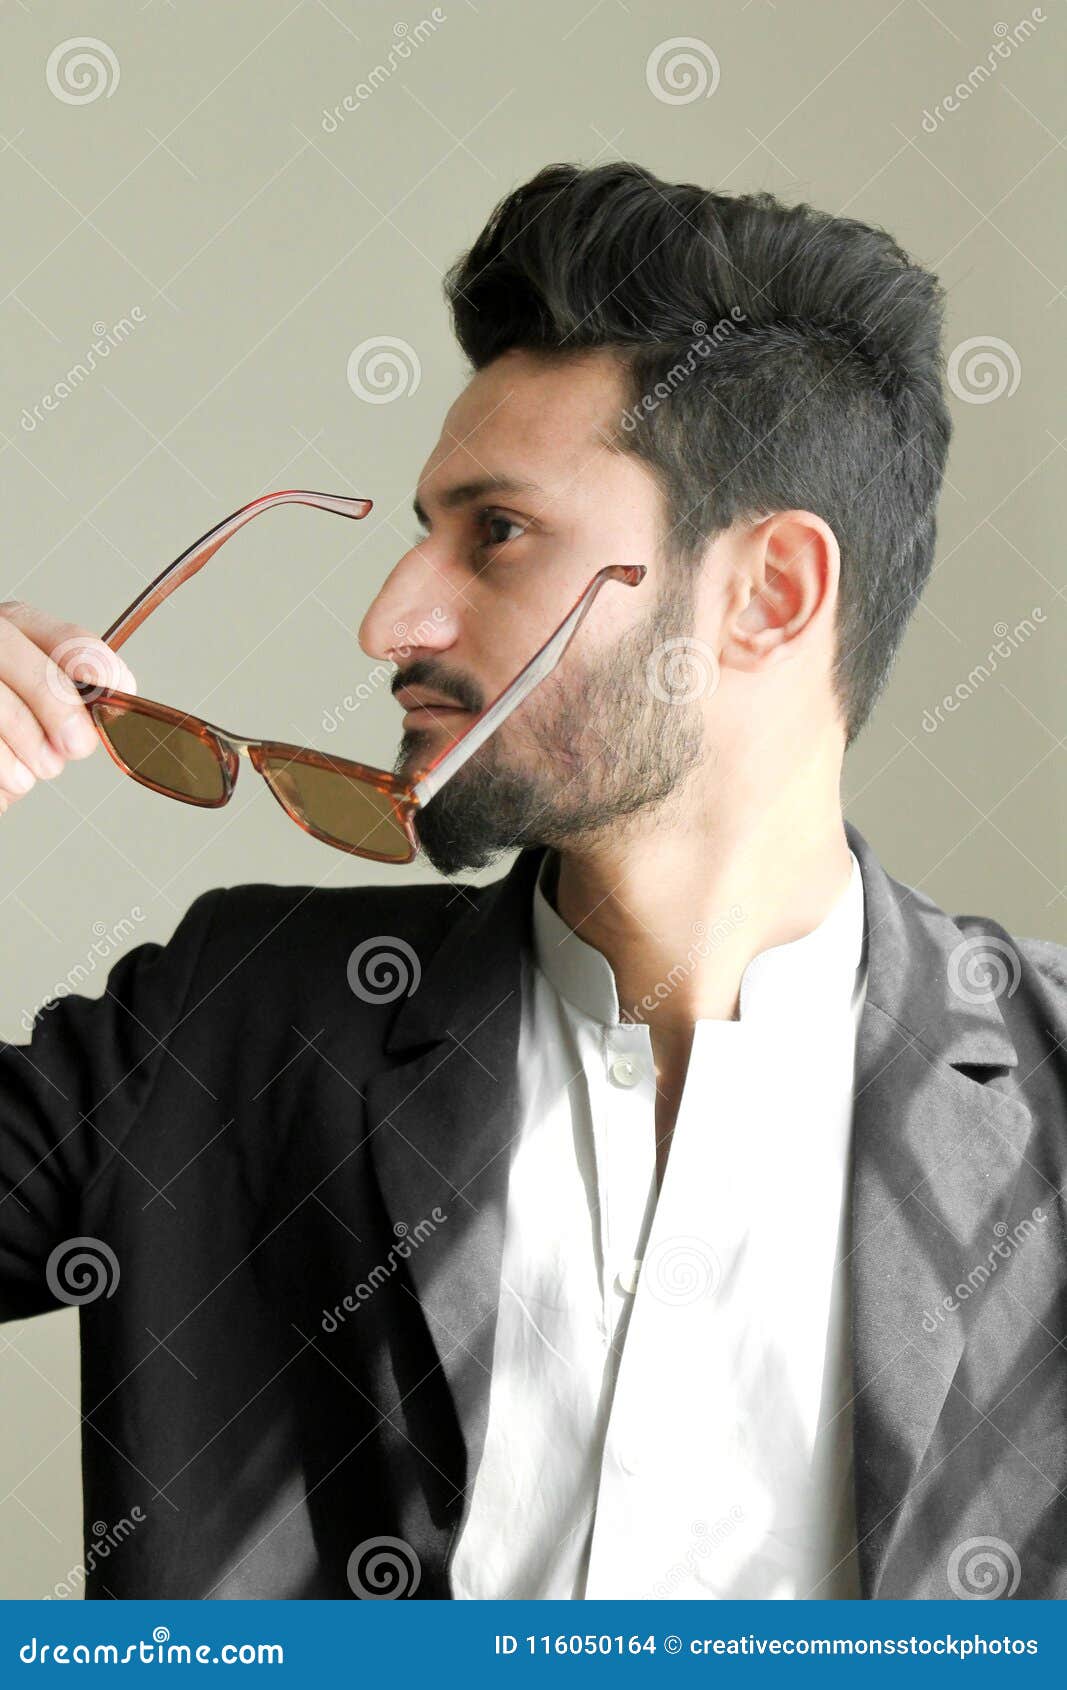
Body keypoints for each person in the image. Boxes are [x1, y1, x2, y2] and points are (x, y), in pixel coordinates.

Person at [1, 161, 1064, 1601]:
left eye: (497, 532)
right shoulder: (227, 1025)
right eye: (422, 531)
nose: (392, 618)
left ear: (768, 594)